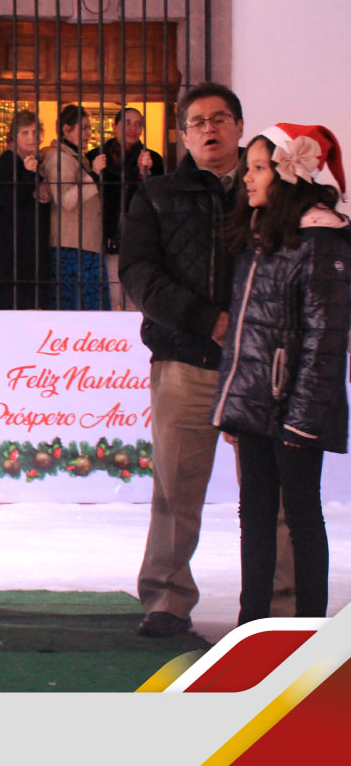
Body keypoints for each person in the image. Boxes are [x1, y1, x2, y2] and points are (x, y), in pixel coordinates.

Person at [120, 82, 274, 637]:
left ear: (238, 127)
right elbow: (138, 273)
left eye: (221, 118)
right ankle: (166, 600)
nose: (210, 128)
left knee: (269, 492)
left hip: (257, 365)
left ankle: (278, 605)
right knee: (176, 489)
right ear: (182, 134)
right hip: (184, 360)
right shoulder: (157, 194)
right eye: (198, 121)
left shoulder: (270, 190)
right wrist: (205, 319)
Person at [211, 124, 350, 625]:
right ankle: (251, 626)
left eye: (258, 168)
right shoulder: (260, 235)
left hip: (294, 411)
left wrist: (304, 419)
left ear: (289, 173)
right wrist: (235, 404)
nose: (247, 178)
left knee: (302, 517)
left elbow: (326, 339)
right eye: (248, 168)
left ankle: (310, 630)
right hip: (256, 405)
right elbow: (247, 330)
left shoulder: (321, 239)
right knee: (256, 517)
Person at [87, 107, 164, 309]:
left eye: (138, 124)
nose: (133, 128)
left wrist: (144, 175)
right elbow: (88, 196)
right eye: (127, 122)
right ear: (115, 126)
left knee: (135, 299)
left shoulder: (153, 159)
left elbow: (159, 200)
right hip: (105, 233)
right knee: (111, 296)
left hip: (139, 236)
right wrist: (96, 173)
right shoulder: (95, 157)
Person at [41, 104, 109, 310]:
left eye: (90, 128)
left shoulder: (76, 158)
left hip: (85, 246)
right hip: (70, 248)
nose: (89, 134)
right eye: (84, 128)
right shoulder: (58, 159)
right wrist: (94, 176)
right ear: (66, 129)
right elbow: (66, 200)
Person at [0, 109, 53, 309]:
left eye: (35, 133)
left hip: (31, 247)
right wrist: (28, 175)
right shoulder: (8, 161)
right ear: (14, 136)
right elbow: (7, 199)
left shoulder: (32, 162)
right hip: (14, 248)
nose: (31, 138)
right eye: (25, 133)